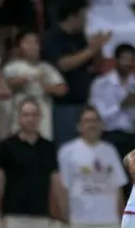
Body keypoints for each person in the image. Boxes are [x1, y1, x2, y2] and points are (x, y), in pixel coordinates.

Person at [0, 97, 67, 228]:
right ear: (19, 118)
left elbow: (55, 183)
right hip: (13, 216)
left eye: (34, 115)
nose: (30, 119)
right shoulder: (7, 146)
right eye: (26, 115)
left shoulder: (49, 148)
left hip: (42, 217)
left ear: (40, 118)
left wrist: (63, 214)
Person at [42, 2, 111, 145]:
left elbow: (95, 66)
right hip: (63, 105)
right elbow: (63, 64)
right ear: (73, 16)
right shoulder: (53, 37)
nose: (86, 20)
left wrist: (98, 48)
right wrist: (90, 50)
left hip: (84, 102)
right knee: (66, 145)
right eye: (83, 16)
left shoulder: (80, 37)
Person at [57, 106, 127, 228]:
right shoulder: (67, 151)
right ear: (79, 126)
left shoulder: (110, 150)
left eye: (95, 121)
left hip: (110, 222)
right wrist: (66, 217)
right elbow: (62, 188)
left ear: (101, 125)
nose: (92, 125)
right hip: (79, 222)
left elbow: (118, 186)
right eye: (87, 121)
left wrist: (121, 219)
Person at [2, 28, 67, 140]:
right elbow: (8, 84)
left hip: (43, 113)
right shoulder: (12, 67)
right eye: (28, 42)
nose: (33, 46)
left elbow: (62, 89)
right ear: (19, 47)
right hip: (19, 113)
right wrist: (29, 78)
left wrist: (46, 87)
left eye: (35, 42)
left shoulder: (47, 67)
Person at [89, 43, 135, 163]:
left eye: (131, 60)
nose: (128, 63)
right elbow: (100, 119)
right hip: (107, 137)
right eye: (125, 59)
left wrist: (132, 108)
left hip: (131, 138)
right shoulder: (101, 84)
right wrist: (121, 106)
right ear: (115, 60)